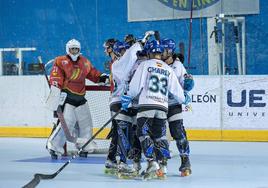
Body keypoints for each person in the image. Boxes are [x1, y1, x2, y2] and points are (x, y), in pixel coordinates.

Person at [121, 40, 190, 180]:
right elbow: (177, 90)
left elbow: (135, 86)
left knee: (142, 132)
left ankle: (151, 161)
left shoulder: (145, 65)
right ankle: (163, 167)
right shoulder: (168, 68)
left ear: (149, 52)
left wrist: (127, 97)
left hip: (147, 105)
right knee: (160, 136)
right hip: (162, 108)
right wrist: (184, 99)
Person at [46, 39, 109, 159]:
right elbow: (55, 75)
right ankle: (54, 147)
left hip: (81, 98)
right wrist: (55, 86)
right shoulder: (60, 61)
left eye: (76, 49)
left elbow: (93, 73)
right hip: (68, 97)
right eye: (72, 49)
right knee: (66, 124)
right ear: (67, 50)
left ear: (80, 50)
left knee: (86, 124)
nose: (74, 51)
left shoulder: (85, 62)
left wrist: (102, 77)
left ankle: (84, 146)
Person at [161, 38, 194, 176]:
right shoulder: (157, 63)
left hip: (174, 104)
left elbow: (187, 85)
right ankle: (162, 162)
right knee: (160, 135)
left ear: (169, 51)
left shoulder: (178, 66)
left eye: (163, 50)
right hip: (160, 104)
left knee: (178, 132)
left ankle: (185, 160)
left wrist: (188, 83)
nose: (160, 52)